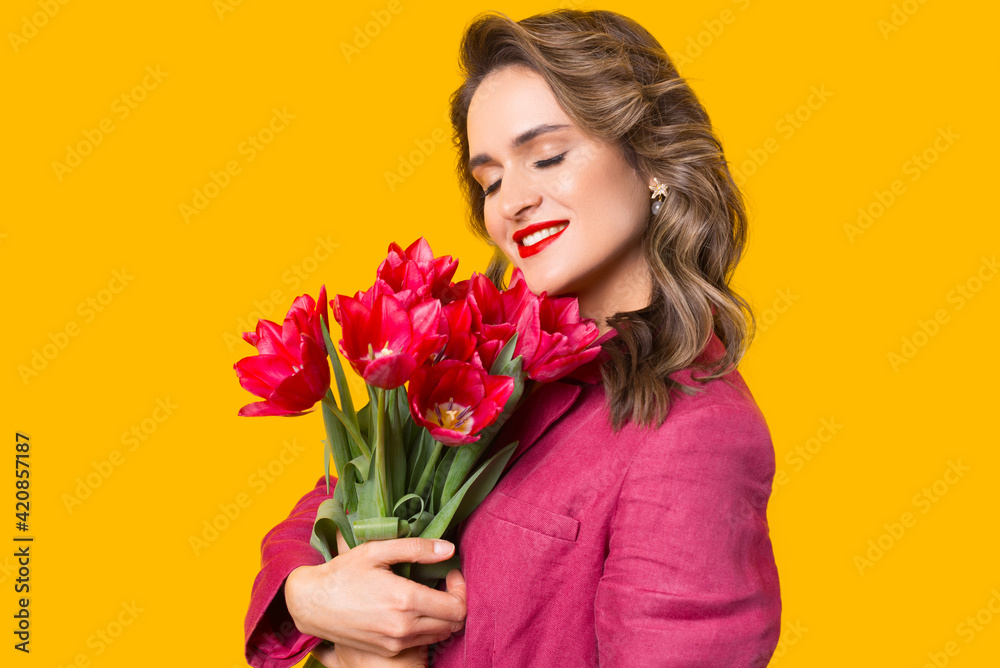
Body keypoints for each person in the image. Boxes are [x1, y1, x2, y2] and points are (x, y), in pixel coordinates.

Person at [244, 8, 781, 667]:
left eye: (547, 156)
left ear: (650, 160)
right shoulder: (476, 364)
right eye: (491, 179)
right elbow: (329, 505)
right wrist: (311, 597)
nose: (511, 201)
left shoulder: (697, 433)